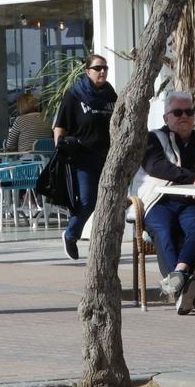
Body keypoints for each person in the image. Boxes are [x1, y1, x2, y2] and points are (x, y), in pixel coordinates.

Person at [139, 92, 195, 314]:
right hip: (159, 200)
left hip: (192, 202)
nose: (184, 117)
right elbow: (157, 166)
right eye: (178, 112)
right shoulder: (153, 139)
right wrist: (193, 179)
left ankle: (179, 276)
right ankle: (183, 290)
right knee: (164, 230)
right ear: (166, 118)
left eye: (189, 112)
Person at [53, 54, 116, 261]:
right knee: (88, 201)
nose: (102, 72)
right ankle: (71, 234)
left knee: (109, 201)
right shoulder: (74, 94)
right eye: (98, 68)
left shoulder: (110, 95)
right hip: (83, 158)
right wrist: (59, 148)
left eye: (105, 68)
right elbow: (60, 125)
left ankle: (103, 247)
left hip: (107, 156)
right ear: (87, 71)